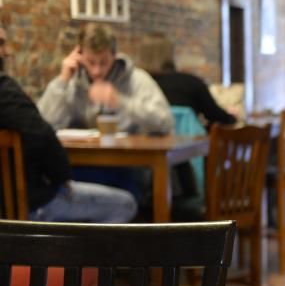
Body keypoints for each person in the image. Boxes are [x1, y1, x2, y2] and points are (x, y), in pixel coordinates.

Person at [0, 24, 136, 222]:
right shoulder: (4, 89)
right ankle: (77, 253)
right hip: (32, 206)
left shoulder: (135, 79)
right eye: (1, 43)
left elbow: (163, 120)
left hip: (8, 209)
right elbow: (41, 131)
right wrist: (62, 177)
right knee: (126, 204)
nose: (7, 51)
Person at [38, 23, 174, 135]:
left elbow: (165, 123)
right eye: (91, 62)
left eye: (103, 62)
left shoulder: (137, 79)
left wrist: (120, 101)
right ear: (79, 55)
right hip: (83, 159)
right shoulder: (71, 82)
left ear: (115, 56)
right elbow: (43, 125)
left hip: (130, 160)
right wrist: (62, 81)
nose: (97, 70)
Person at [136, 32, 237, 127]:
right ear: (170, 54)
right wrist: (233, 117)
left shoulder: (134, 85)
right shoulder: (191, 83)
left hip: (138, 144)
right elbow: (216, 116)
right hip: (189, 144)